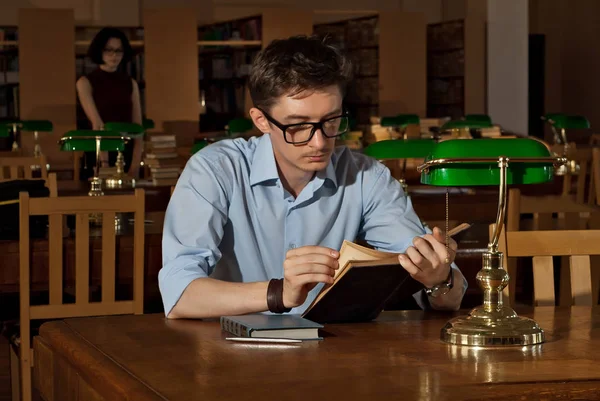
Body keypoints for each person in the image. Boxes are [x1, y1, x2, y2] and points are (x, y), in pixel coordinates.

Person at [159, 35, 467, 319]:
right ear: (262, 121)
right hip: (231, 352)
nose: (320, 142)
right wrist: (281, 293)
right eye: (297, 126)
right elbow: (178, 295)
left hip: (335, 354)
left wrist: (438, 280)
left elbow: (449, 295)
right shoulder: (214, 170)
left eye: (331, 121)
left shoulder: (367, 177)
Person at [76, 27, 143, 178]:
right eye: (109, 50)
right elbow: (97, 125)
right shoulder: (85, 82)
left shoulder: (130, 83)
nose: (114, 55)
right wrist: (105, 166)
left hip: (127, 152)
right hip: (99, 153)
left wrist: (135, 165)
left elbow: (138, 128)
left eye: (119, 51)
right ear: (99, 51)